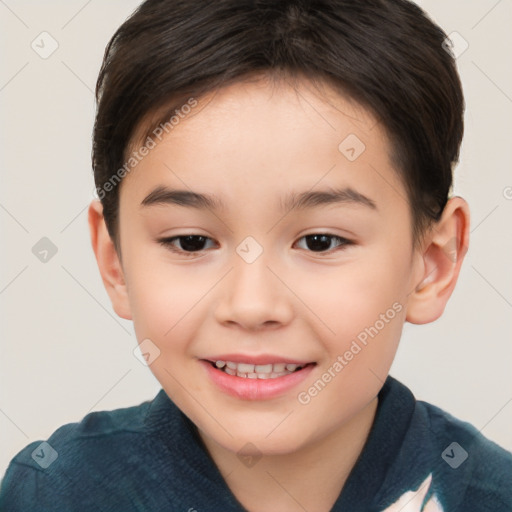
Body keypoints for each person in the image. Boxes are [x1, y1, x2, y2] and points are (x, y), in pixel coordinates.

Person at [1, 0, 511, 510]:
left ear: (433, 262)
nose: (251, 305)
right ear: (115, 262)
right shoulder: (54, 491)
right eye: (191, 242)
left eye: (320, 241)